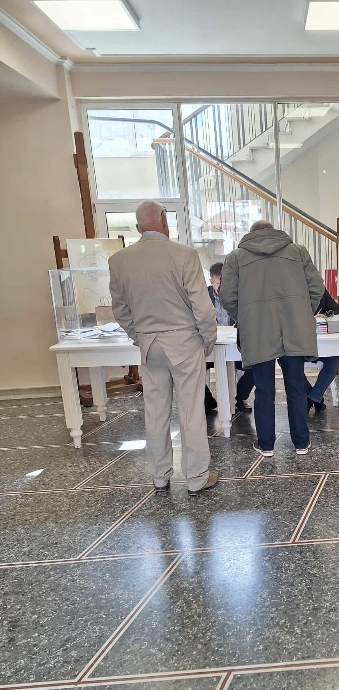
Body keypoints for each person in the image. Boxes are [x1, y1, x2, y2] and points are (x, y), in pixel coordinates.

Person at [109, 200, 219, 496]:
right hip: (185, 344)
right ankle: (196, 476)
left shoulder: (119, 260)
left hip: (149, 346)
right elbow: (203, 309)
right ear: (164, 220)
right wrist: (207, 340)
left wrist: (139, 336)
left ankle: (159, 476)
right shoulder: (184, 255)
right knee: (191, 411)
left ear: (138, 228)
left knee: (155, 411)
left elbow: (120, 311)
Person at [219, 219, 324, 456]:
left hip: (257, 329)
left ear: (252, 234)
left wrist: (245, 317)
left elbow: (227, 296)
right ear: (273, 231)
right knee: (296, 386)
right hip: (294, 327)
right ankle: (301, 442)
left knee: (264, 388)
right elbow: (317, 287)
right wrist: (301, 312)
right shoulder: (298, 252)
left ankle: (266, 444)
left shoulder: (236, 257)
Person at [208, 261, 254, 414]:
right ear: (211, 282)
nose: (222, 288)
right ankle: (208, 401)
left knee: (256, 364)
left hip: (233, 344)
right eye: (218, 284)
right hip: (211, 344)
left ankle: (239, 397)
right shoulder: (203, 296)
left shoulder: (239, 295)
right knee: (192, 368)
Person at [304, 288, 339, 413]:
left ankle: (311, 398)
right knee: (286, 362)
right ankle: (316, 398)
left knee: (334, 360)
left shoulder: (320, 291)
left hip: (322, 346)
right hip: (301, 347)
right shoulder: (292, 294)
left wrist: (325, 315)